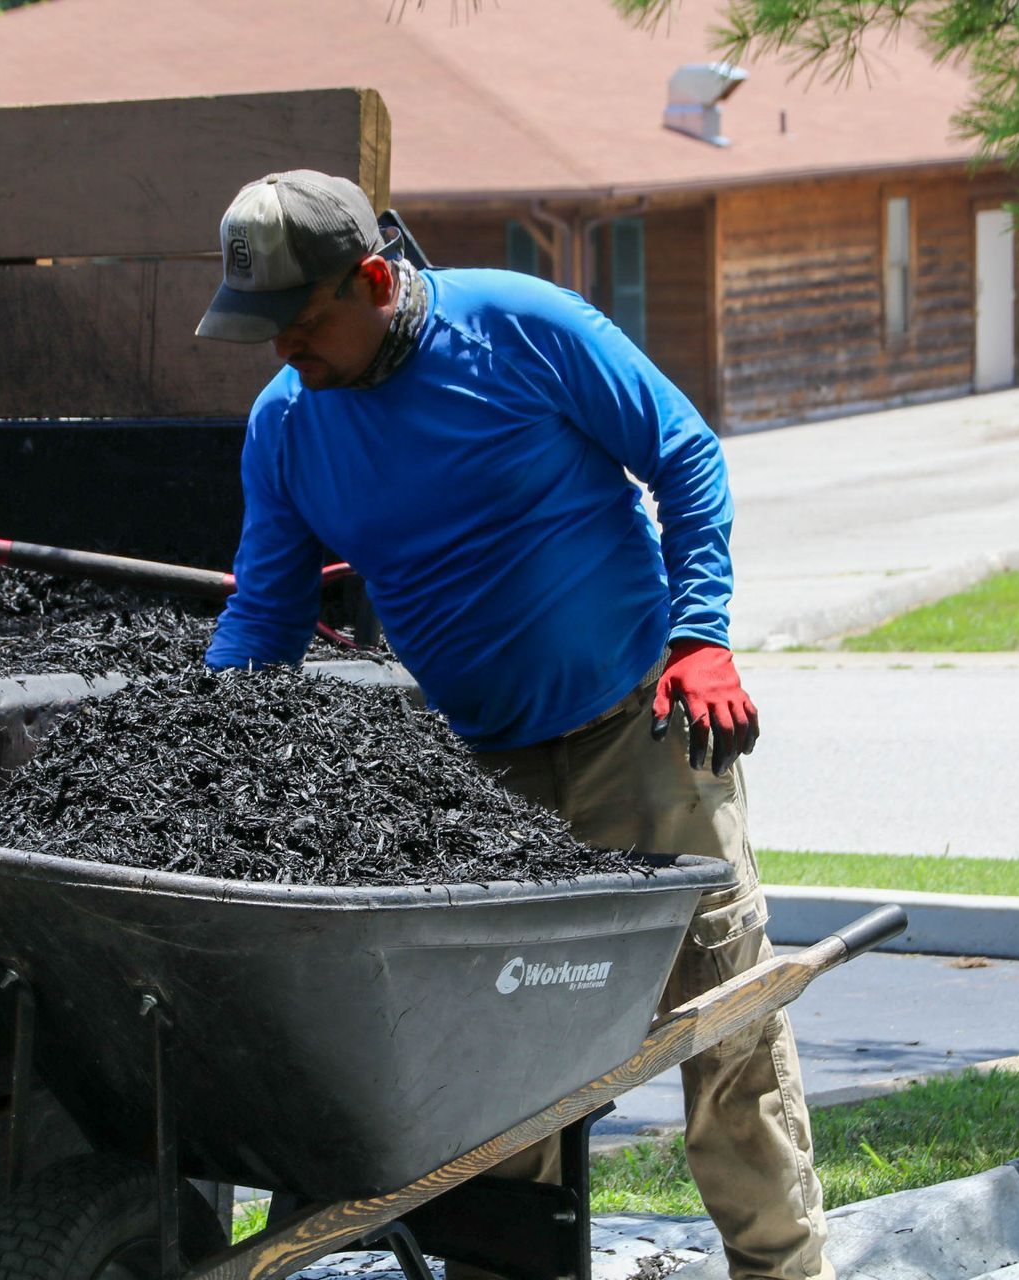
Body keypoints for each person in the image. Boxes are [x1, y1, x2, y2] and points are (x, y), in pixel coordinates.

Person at [195, 169, 833, 1280]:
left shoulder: (524, 329)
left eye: (303, 323)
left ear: (377, 279)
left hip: (643, 735)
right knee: (494, 1065)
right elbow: (265, 605)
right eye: (268, 335)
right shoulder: (288, 426)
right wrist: (202, 736)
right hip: (484, 782)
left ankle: (783, 1269)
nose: (287, 352)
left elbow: (681, 453)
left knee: (724, 1023)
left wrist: (701, 634)